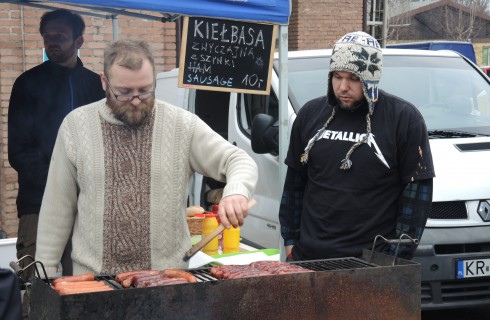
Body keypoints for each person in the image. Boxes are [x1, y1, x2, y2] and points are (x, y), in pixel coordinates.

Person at [35, 39, 258, 277]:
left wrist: (236, 191)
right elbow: (56, 209)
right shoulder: (75, 127)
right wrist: (45, 274)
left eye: (145, 90)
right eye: (124, 92)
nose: (136, 100)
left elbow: (238, 160)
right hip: (94, 283)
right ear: (104, 82)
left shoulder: (181, 125)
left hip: (167, 284)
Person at [279, 31, 435, 262]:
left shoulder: (403, 119)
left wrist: (396, 257)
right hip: (309, 257)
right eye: (337, 76)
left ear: (370, 77)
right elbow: (294, 184)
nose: (343, 87)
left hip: (372, 262)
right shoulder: (310, 115)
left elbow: (417, 196)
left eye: (353, 79)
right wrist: (291, 241)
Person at [8, 9, 104, 279]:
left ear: (78, 41)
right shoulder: (27, 83)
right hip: (38, 206)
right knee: (37, 282)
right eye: (47, 37)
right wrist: (59, 185)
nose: (51, 42)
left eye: (59, 36)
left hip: (87, 208)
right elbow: (19, 152)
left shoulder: (95, 85)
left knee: (84, 284)